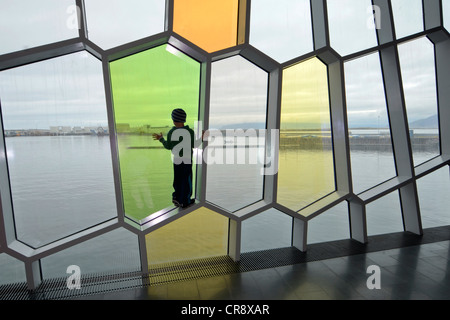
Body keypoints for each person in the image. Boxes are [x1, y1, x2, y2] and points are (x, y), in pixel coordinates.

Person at [152, 108, 196, 209]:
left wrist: (161, 139)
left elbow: (168, 146)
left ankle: (176, 197)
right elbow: (194, 144)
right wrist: (202, 138)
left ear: (173, 120)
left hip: (176, 160)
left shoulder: (172, 132)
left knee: (178, 179)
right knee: (187, 180)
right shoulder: (190, 132)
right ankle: (186, 201)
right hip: (187, 160)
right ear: (184, 119)